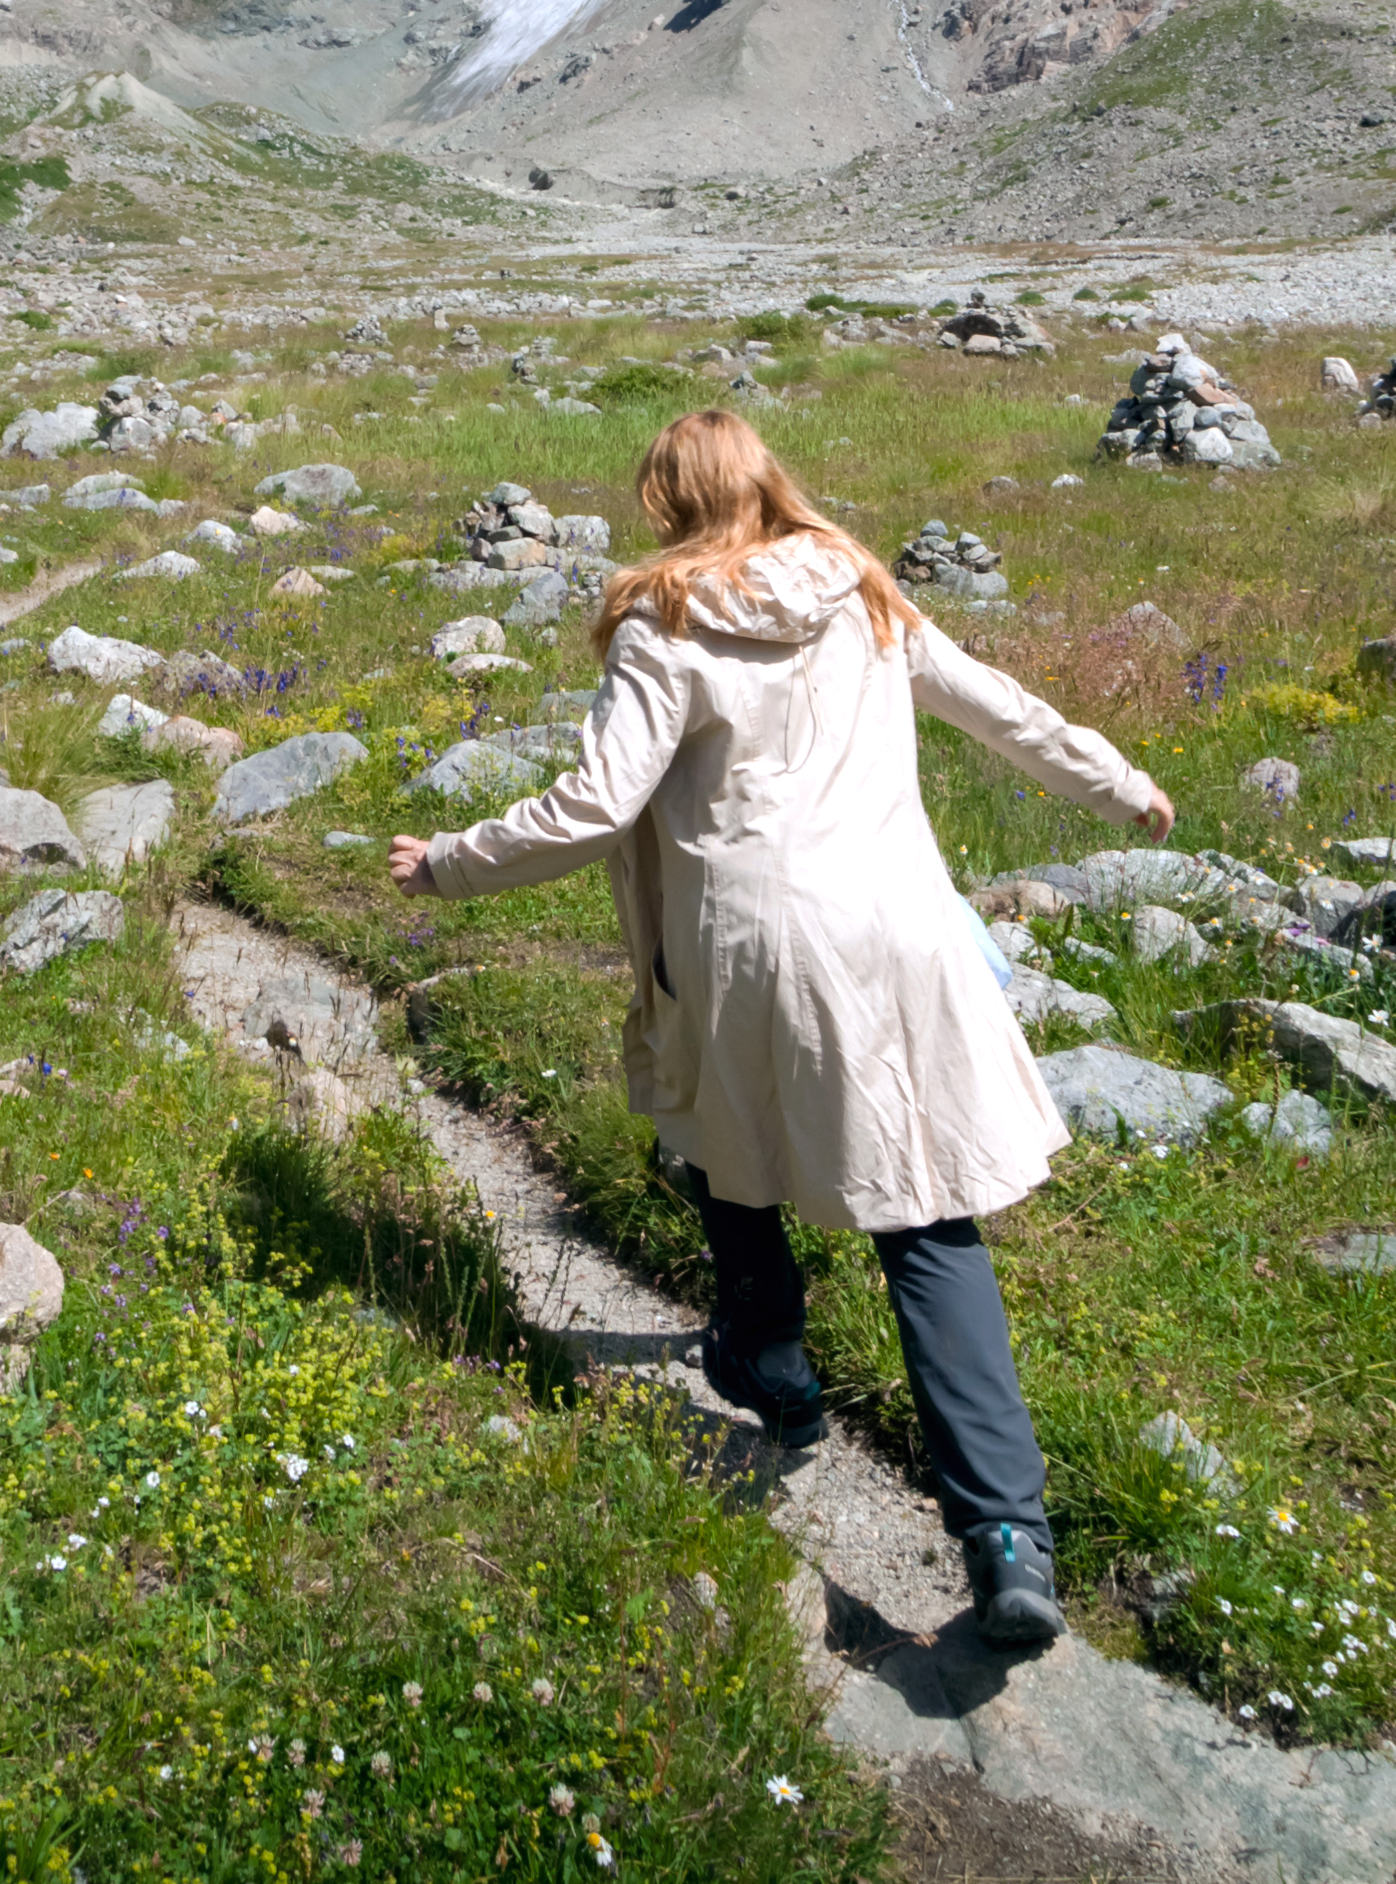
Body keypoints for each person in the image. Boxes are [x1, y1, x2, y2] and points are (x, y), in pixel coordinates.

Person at [389, 407, 1174, 1653]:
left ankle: (774, 1356)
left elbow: (598, 806)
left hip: (749, 942)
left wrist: (449, 862)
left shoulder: (666, 619)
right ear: (766, 482)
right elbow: (996, 707)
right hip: (899, 934)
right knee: (923, 1215)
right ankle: (1007, 1537)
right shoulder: (860, 589)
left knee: (721, 1136)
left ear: (667, 501)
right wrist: (1119, 781)